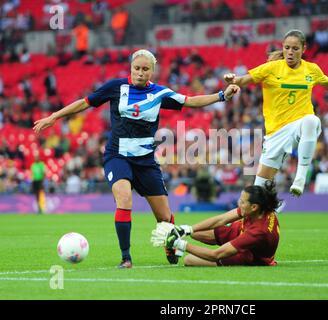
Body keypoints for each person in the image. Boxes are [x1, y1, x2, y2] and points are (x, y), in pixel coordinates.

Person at [33, 49, 240, 268]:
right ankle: (126, 257)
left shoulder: (161, 94)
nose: (140, 73)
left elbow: (190, 101)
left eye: (145, 69)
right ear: (131, 68)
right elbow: (84, 102)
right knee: (124, 198)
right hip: (117, 156)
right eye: (137, 68)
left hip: (146, 162)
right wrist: (53, 117)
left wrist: (221, 95)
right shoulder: (116, 87)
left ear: (153, 71)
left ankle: (170, 244)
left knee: (164, 217)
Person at [223, 29, 328, 197]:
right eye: (287, 48)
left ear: (304, 49)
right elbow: (244, 80)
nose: (290, 52)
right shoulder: (271, 68)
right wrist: (232, 80)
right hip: (275, 133)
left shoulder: (311, 70)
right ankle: (254, 219)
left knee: (312, 121)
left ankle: (300, 178)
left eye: (295, 48)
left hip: (299, 127)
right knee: (259, 193)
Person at [151, 180, 280, 266]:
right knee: (195, 233)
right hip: (240, 231)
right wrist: (187, 229)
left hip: (249, 255)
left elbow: (215, 254)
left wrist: (180, 244)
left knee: (189, 260)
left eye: (242, 202)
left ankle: (178, 245)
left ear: (254, 207)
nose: (239, 204)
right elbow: (221, 219)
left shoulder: (258, 232)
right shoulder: (260, 209)